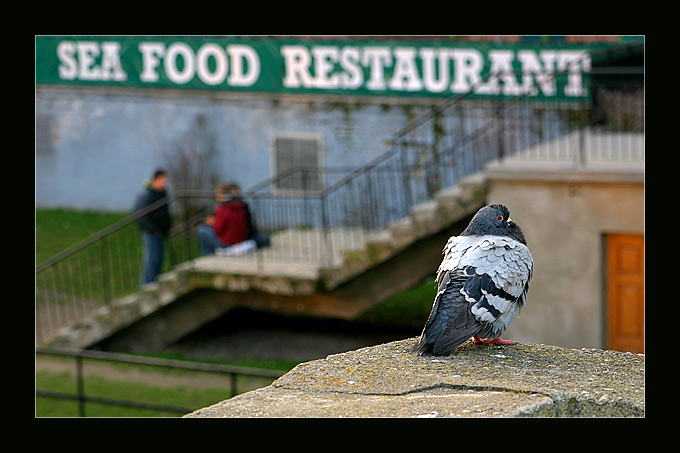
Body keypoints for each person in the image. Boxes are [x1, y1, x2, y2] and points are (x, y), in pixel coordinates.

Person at [133, 169, 172, 285]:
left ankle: (154, 283)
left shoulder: (163, 194)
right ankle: (147, 285)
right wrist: (152, 228)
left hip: (160, 232)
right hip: (151, 232)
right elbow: (140, 215)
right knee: (151, 259)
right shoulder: (147, 195)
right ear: (155, 180)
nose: (164, 183)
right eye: (162, 180)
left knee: (159, 259)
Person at [197, 183, 256, 256]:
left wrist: (213, 223)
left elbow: (218, 230)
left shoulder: (222, 208)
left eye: (218, 195)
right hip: (240, 240)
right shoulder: (241, 205)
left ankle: (208, 255)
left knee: (201, 230)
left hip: (227, 243)